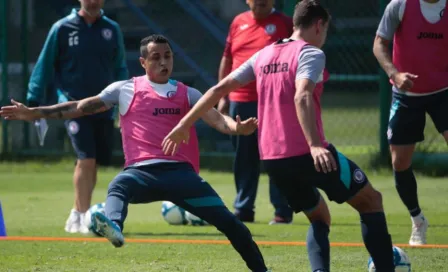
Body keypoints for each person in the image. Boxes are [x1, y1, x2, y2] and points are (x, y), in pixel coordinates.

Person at [2, 35, 269, 272]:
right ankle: (114, 226)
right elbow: (80, 107)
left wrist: (238, 128)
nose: (164, 62)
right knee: (119, 185)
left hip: (182, 176)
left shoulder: (188, 93)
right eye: (156, 57)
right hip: (141, 173)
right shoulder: (124, 89)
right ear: (143, 62)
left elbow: (219, 120)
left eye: (168, 56)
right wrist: (35, 112)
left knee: (232, 225)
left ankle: (261, 269)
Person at [162, 1, 396, 271]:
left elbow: (217, 89)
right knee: (371, 201)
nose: (324, 37)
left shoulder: (264, 55)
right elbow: (302, 94)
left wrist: (183, 124)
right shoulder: (310, 53)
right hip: (309, 154)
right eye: (325, 30)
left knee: (319, 217)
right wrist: (315, 146)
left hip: (273, 160)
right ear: (319, 25)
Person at [26, 0, 129, 234]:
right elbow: (44, 65)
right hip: (73, 106)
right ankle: (83, 216)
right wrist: (34, 99)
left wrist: (125, 99)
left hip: (104, 106)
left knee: (93, 161)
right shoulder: (62, 28)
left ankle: (76, 213)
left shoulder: (111, 29)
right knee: (86, 158)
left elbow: (120, 67)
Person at [373, 0, 447, 246]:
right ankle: (418, 220)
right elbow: (379, 44)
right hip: (406, 95)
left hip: (444, 91)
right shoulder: (400, 6)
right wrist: (394, 74)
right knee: (399, 162)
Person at [217, 0, 294, 225]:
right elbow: (227, 58)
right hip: (240, 100)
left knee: (275, 156)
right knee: (244, 158)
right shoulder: (238, 22)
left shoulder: (284, 23)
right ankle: (243, 209)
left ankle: (282, 211)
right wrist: (223, 95)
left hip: (273, 101)